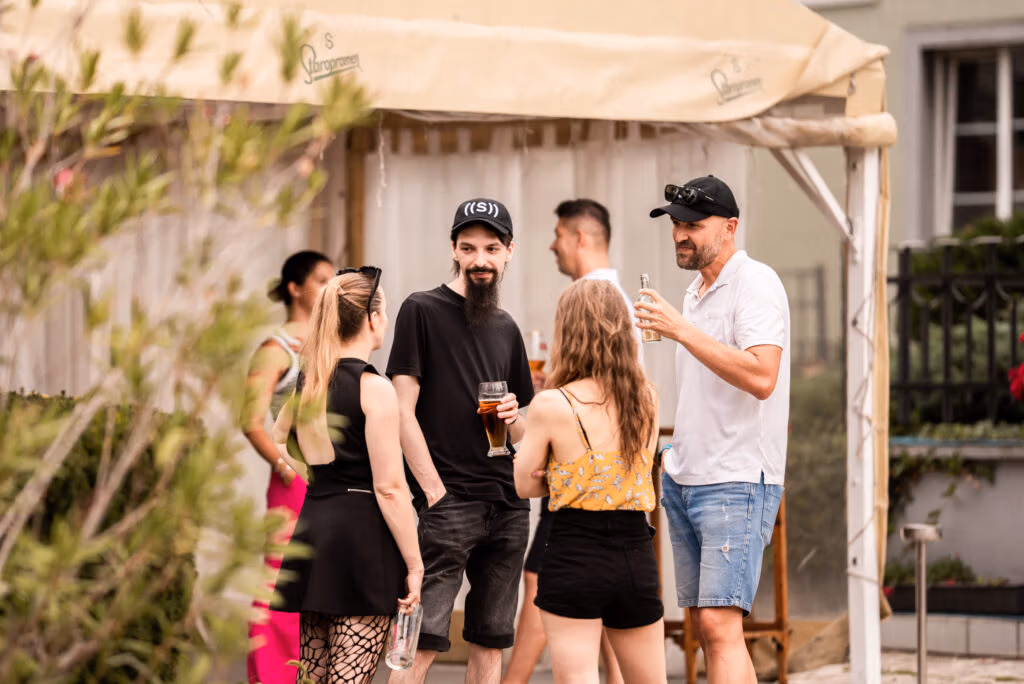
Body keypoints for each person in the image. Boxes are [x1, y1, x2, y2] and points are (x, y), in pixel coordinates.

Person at [635, 175, 789, 684]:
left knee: (720, 625)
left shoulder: (756, 282)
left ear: (730, 227)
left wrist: (681, 329)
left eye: (692, 225)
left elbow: (762, 376)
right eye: (676, 224)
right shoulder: (697, 290)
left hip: (737, 476)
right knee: (711, 627)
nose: (680, 234)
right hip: (688, 476)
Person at [387, 198, 534, 684]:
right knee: (419, 644)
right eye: (468, 248)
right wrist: (434, 493)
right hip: (448, 503)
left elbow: (521, 432)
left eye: (491, 248)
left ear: (509, 251)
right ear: (453, 249)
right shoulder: (420, 310)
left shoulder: (507, 328)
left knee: (491, 643)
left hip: (508, 505)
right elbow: (400, 411)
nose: (480, 260)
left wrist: (514, 416)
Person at [503, 199, 637, 684]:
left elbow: (584, 398)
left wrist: (545, 403)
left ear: (580, 237)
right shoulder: (622, 298)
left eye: (558, 233)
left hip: (574, 481)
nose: (552, 244)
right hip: (617, 494)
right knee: (608, 611)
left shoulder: (589, 297)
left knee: (540, 582)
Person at [271, 267, 423, 684]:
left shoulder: (309, 381)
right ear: (372, 319)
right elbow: (390, 488)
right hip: (362, 538)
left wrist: (322, 473)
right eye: (385, 312)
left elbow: (280, 440)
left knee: (312, 678)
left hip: (315, 526)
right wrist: (415, 564)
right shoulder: (374, 388)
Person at [513, 278, 665, 684]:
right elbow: (630, 473)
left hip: (574, 552)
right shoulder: (646, 398)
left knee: (578, 677)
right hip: (635, 552)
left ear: (567, 332)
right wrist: (589, 475)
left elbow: (524, 484)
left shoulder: (551, 403)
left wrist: (563, 474)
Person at [242, 250, 333, 684]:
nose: (328, 288)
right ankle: (270, 676)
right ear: (295, 288)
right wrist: (283, 464)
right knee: (281, 580)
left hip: (330, 482)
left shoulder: (330, 342)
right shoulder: (274, 349)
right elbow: (249, 420)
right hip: (293, 483)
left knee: (319, 582)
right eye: (321, 280)